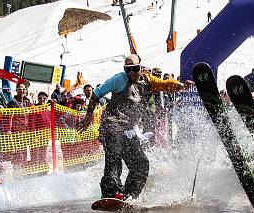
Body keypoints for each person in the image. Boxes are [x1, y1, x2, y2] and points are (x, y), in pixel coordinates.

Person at [78, 54, 193, 201]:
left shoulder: (147, 80)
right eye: (128, 70)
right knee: (114, 159)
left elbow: (164, 84)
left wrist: (181, 86)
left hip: (128, 130)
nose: (131, 72)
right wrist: (88, 116)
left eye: (135, 69)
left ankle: (130, 195)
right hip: (111, 127)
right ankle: (110, 193)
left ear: (141, 68)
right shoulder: (119, 79)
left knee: (141, 164)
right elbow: (96, 93)